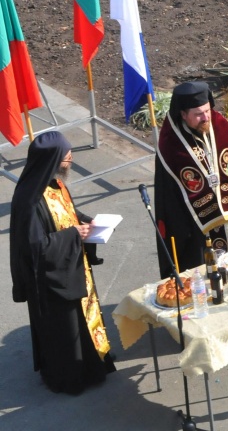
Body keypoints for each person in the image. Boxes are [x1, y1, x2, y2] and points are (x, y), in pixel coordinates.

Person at [9, 131, 116, 394]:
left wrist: (88, 222)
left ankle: (93, 365)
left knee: (84, 321)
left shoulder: (56, 184)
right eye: (67, 157)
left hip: (72, 267)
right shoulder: (29, 200)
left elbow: (69, 212)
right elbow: (35, 246)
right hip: (50, 282)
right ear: (53, 160)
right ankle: (69, 379)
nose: (70, 160)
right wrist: (72, 235)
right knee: (64, 333)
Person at [155, 81, 228, 278]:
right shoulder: (170, 145)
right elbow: (168, 199)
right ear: (183, 114)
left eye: (207, 111)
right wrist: (187, 231)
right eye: (198, 114)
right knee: (206, 279)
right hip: (196, 229)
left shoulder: (223, 129)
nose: (205, 118)